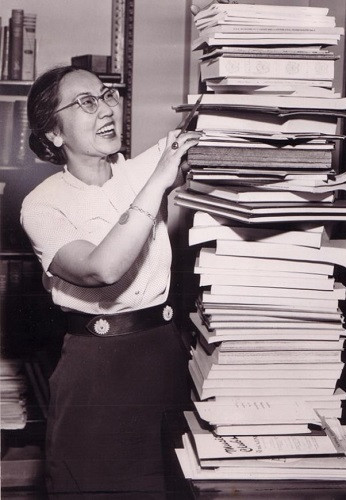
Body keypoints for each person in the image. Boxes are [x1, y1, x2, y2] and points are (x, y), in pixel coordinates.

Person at [21, 64, 201, 499]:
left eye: (107, 96)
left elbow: (213, 124)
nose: (104, 109)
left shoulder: (142, 168)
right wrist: (160, 179)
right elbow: (101, 270)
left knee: (177, 489)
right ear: (54, 134)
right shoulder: (42, 205)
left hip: (165, 355)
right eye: (85, 102)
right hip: (95, 372)